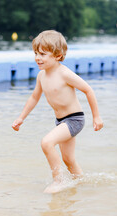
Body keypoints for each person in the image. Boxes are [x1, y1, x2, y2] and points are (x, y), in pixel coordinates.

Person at [12, 30, 103, 193]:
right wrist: (21, 118)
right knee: (68, 159)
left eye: (42, 54)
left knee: (46, 143)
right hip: (61, 121)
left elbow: (88, 90)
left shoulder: (64, 74)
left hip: (74, 120)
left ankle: (59, 180)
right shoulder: (41, 76)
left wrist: (96, 117)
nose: (37, 58)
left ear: (58, 55)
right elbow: (34, 97)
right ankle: (81, 184)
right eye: (35, 53)